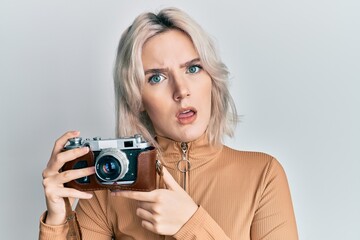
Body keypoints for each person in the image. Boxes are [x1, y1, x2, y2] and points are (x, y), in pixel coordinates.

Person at [39, 7, 298, 239]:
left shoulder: (263, 174)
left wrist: (191, 225)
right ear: (137, 98)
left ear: (212, 78)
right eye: (156, 78)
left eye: (193, 69)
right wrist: (57, 222)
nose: (181, 90)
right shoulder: (106, 186)